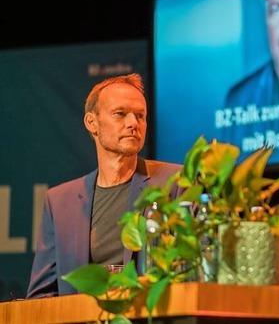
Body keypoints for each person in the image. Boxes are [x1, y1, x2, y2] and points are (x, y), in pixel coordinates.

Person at [27, 74, 181, 298]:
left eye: (140, 116)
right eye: (120, 114)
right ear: (92, 123)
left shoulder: (175, 182)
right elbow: (42, 296)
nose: (133, 123)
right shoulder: (60, 201)